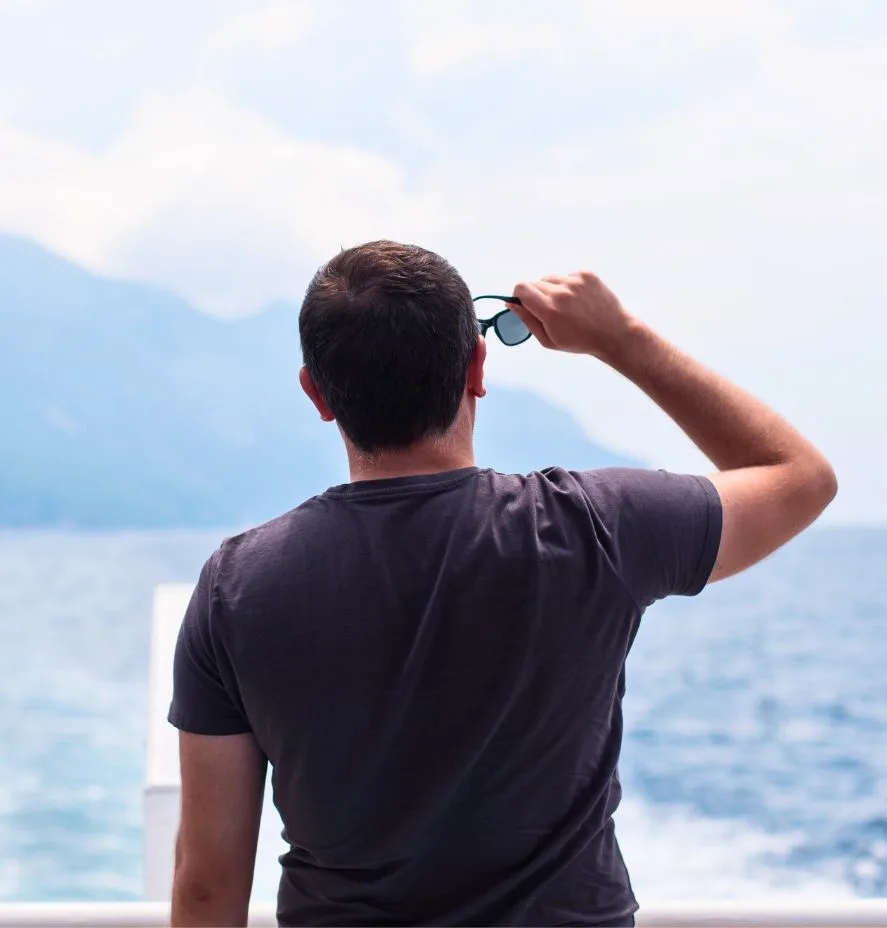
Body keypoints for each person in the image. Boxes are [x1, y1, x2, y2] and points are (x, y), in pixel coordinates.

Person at [167, 241, 837, 927]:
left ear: (317, 393)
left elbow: (208, 889)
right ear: (477, 368)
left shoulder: (235, 587)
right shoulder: (593, 528)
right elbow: (800, 478)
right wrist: (620, 340)